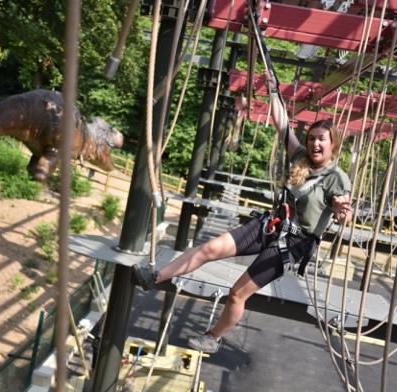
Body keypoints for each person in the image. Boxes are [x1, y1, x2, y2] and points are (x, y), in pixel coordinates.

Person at [133, 72, 353, 353]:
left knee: (237, 293)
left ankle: (213, 337)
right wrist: (273, 89)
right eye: (311, 139)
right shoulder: (299, 157)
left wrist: (340, 209)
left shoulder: (338, 178)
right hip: (272, 223)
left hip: (294, 244)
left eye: (321, 139)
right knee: (208, 249)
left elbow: (342, 210)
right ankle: (155, 277)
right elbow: (281, 123)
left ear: (333, 143)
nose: (315, 144)